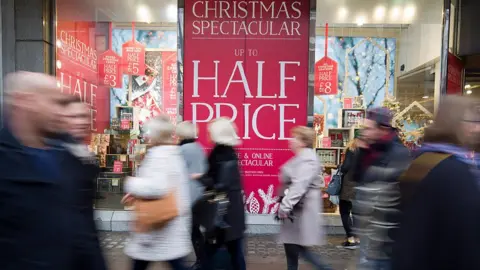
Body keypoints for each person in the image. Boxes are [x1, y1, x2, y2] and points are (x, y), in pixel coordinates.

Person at [0, 71, 89, 270]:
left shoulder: (65, 156)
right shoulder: (5, 161)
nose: (60, 111)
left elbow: (81, 233)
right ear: (26, 101)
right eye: (53, 102)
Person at [392, 96, 480, 270]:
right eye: (472, 121)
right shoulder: (453, 170)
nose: (476, 128)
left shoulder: (425, 160)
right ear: (456, 124)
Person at [123, 115, 191, 270]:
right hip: (167, 223)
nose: (146, 135)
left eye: (148, 131)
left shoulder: (159, 155)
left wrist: (131, 184)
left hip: (157, 224)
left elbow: (157, 187)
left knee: (141, 263)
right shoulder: (172, 153)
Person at [353, 107, 411, 270]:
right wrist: (362, 153)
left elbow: (390, 194)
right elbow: (357, 179)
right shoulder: (370, 151)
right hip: (371, 234)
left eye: (368, 128)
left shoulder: (398, 154)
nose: (364, 132)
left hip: (387, 238)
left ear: (383, 129)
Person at [277, 126, 331, 270]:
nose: (290, 140)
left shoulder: (307, 160)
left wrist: (285, 206)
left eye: (294, 137)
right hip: (296, 211)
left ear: (302, 142)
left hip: (300, 211)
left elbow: (299, 185)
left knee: (298, 248)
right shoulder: (302, 158)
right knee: (292, 246)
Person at [202, 117, 246, 270]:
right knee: (235, 253)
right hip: (231, 212)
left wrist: (203, 179)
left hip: (224, 213)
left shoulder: (221, 154)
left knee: (210, 253)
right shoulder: (228, 151)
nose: (207, 134)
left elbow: (221, 184)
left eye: (210, 131)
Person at [176, 121, 208, 270]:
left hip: (187, 197)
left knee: (192, 232)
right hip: (200, 195)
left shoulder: (182, 150)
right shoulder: (198, 147)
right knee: (195, 231)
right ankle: (202, 260)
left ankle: (201, 261)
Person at [338, 138, 360, 249]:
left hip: (349, 186)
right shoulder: (367, 153)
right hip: (360, 187)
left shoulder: (351, 151)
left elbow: (345, 167)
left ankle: (351, 238)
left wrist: (340, 168)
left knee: (345, 212)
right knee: (356, 213)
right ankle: (357, 238)